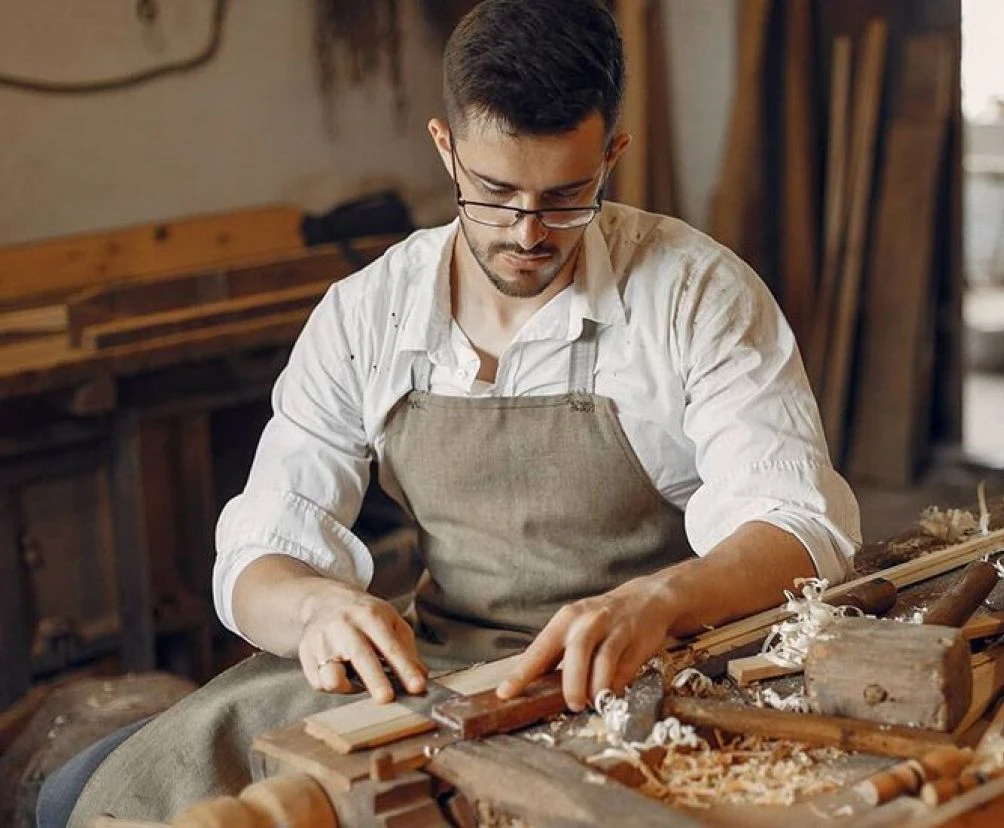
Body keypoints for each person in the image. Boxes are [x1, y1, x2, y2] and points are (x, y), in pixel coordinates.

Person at [45, 0, 860, 824]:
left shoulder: (694, 293)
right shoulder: (369, 314)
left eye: (566, 197)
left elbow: (799, 526)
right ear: (447, 150)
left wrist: (660, 601)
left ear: (612, 155)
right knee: (114, 792)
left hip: (636, 677)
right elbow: (259, 550)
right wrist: (314, 608)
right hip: (431, 667)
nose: (529, 233)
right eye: (496, 194)